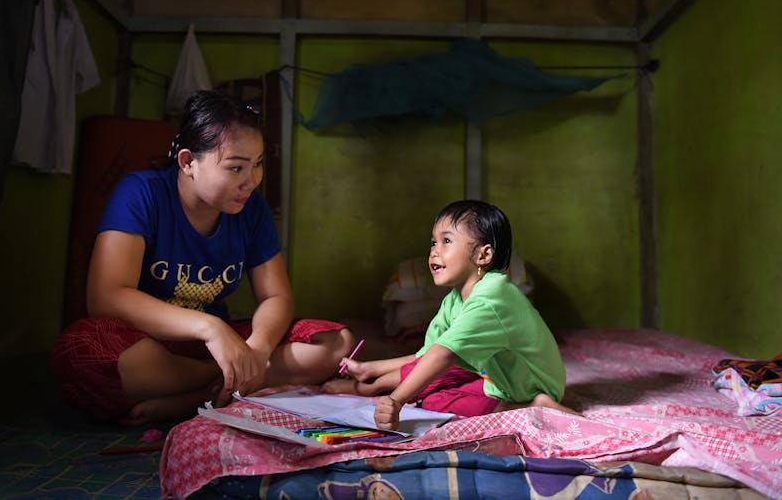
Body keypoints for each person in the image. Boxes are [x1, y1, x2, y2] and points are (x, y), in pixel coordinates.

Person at [52, 90, 356, 425]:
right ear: (187, 162)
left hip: (217, 348)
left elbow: (276, 296)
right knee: (78, 353)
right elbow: (106, 298)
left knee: (334, 342)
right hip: (145, 345)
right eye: (236, 167)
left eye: (257, 165)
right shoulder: (141, 193)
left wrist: (257, 348)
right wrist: (210, 329)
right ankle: (226, 382)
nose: (251, 181)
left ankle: (194, 399)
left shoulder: (252, 209)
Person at [323, 200, 573, 431]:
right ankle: (368, 384)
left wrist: (396, 401)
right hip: (499, 380)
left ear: (483, 255)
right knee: (431, 398)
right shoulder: (454, 299)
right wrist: (370, 368)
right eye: (433, 242)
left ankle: (531, 406)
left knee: (432, 377)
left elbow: (442, 355)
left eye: (446, 241)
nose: (434, 251)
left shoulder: (492, 297)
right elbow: (428, 354)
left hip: (531, 383)